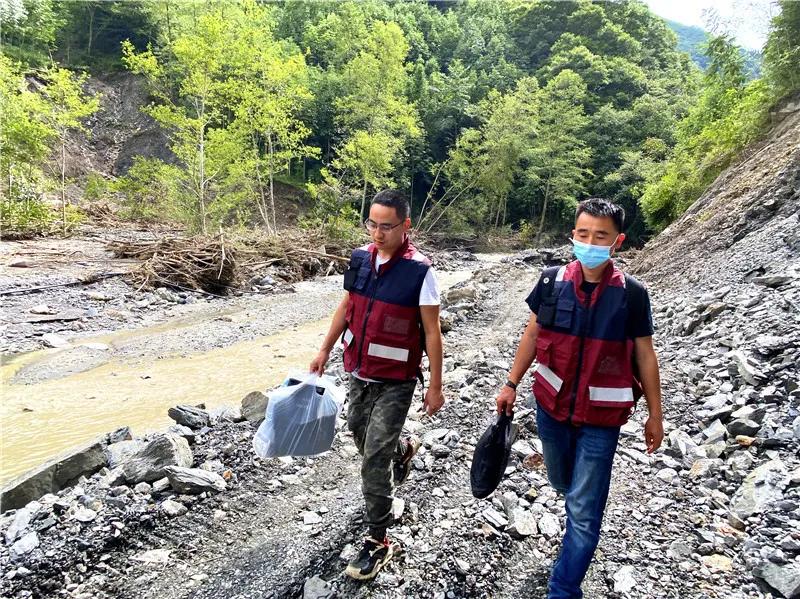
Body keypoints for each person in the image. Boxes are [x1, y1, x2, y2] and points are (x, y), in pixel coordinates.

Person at [495, 198, 664, 599]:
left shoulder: (632, 295)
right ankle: (575, 505)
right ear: (573, 235)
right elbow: (533, 335)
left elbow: (645, 354)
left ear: (617, 241)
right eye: (583, 234)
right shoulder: (552, 282)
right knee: (561, 481)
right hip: (551, 409)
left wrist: (656, 414)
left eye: (600, 236)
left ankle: (564, 587)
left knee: (584, 513)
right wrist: (511, 382)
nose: (590, 242)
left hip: (601, 419)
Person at [310, 189, 445, 581]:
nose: (378, 232)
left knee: (372, 458)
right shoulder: (359, 259)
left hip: (396, 379)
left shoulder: (421, 271)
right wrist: (324, 349)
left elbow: (432, 333)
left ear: (406, 226)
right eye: (372, 223)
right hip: (358, 369)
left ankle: (378, 540)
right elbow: (348, 306)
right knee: (358, 431)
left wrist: (435, 386)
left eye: (387, 226)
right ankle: (401, 451)